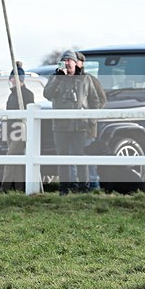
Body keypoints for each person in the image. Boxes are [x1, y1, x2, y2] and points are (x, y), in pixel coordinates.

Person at [43, 50, 102, 195]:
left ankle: (84, 188)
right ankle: (64, 188)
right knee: (62, 157)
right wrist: (58, 78)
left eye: (70, 60)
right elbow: (47, 95)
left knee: (81, 156)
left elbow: (95, 101)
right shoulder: (55, 78)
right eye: (65, 60)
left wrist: (91, 121)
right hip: (61, 126)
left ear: (76, 63)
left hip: (80, 125)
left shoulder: (86, 79)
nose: (67, 63)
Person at [0, 65, 34, 192]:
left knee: (10, 157)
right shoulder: (11, 96)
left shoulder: (27, 94)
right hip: (11, 130)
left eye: (15, 78)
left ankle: (5, 187)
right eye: (12, 78)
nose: (13, 80)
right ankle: (20, 188)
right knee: (16, 159)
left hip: (21, 130)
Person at [75, 51, 106, 190]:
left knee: (89, 156)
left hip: (87, 128)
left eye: (76, 60)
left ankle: (94, 186)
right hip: (70, 128)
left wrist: (91, 119)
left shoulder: (91, 80)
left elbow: (101, 100)